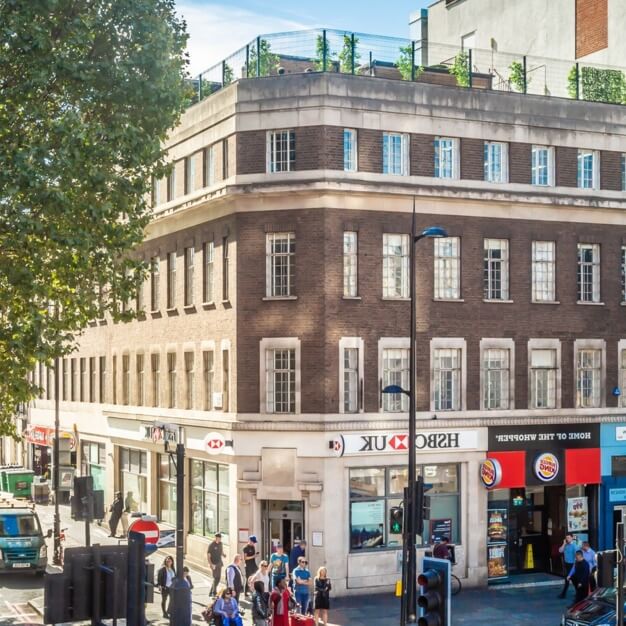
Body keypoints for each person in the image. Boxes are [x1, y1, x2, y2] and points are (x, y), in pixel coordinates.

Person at [558, 533, 579, 598]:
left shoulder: (575, 546)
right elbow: (560, 551)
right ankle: (578, 592)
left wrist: (574, 566)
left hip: (572, 565)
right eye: (566, 538)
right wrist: (564, 543)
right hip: (566, 564)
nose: (567, 539)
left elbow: (577, 557)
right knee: (573, 580)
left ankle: (563, 594)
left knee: (567, 579)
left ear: (572, 538)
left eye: (569, 538)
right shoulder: (566, 545)